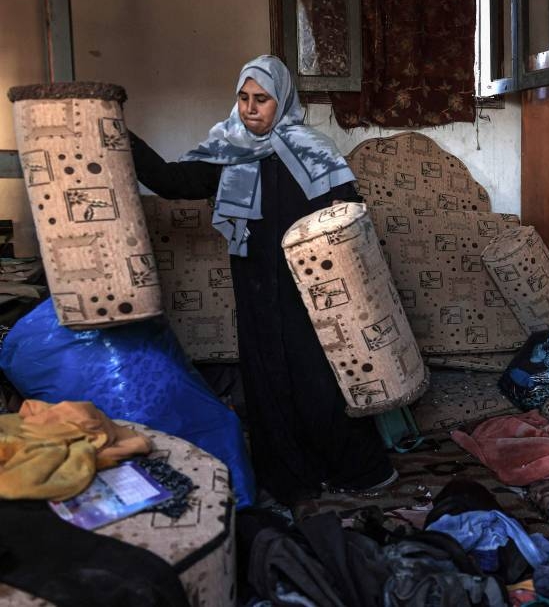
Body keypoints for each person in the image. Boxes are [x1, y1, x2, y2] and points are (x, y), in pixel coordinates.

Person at [130, 55, 395, 505]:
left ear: (283, 101)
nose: (251, 108)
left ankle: (355, 470)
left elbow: (350, 217)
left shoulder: (313, 149)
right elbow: (169, 181)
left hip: (312, 289)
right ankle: (290, 481)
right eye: (244, 97)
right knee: (268, 379)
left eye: (262, 99)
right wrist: (119, 136)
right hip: (255, 287)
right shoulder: (226, 149)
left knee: (320, 378)